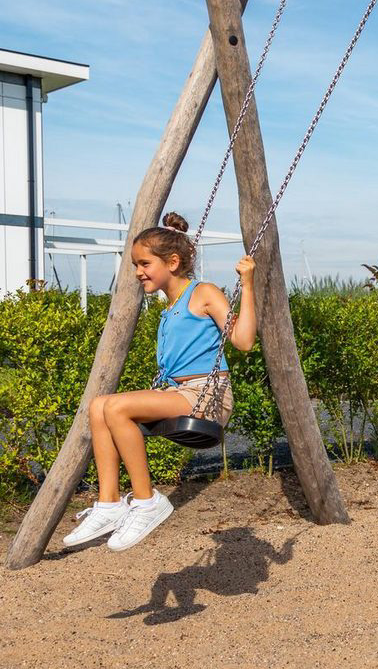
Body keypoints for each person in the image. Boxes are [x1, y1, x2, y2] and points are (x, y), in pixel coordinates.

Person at [62, 212, 257, 551]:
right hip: (180, 392)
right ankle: (109, 504)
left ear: (173, 262)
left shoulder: (204, 293)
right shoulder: (170, 305)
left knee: (117, 408)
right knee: (98, 406)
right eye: (135, 265)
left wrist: (248, 285)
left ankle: (147, 501)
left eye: (144, 264)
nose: (138, 272)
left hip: (207, 395)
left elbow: (243, 341)